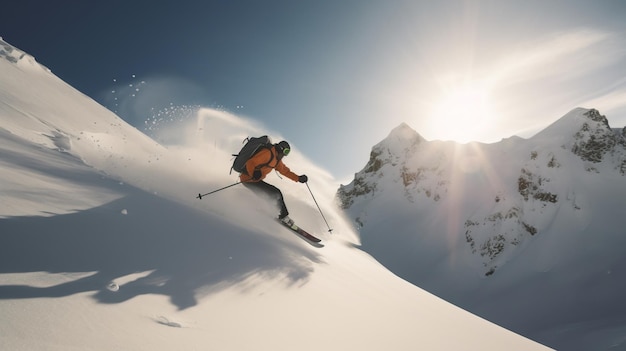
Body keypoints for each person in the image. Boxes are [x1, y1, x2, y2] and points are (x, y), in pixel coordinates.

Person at [240, 140, 308, 227]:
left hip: (255, 181)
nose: (284, 155)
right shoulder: (267, 153)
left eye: (287, 153)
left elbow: (285, 171)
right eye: (285, 152)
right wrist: (254, 172)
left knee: (269, 194)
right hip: (248, 179)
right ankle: (283, 217)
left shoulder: (276, 160)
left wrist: (298, 178)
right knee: (276, 193)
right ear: (280, 149)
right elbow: (251, 162)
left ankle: (271, 211)